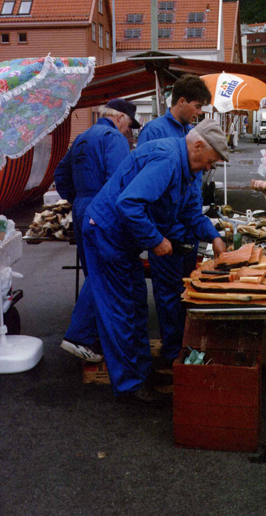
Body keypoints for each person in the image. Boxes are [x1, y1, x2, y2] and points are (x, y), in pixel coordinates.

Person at [82, 119, 229, 403]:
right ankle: (129, 385)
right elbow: (129, 204)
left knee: (136, 301)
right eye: (210, 161)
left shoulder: (186, 167)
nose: (209, 168)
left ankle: (141, 371)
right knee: (121, 308)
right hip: (107, 232)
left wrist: (214, 237)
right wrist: (156, 240)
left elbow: (189, 212)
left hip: (121, 236)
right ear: (198, 146)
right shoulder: (168, 159)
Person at [54, 99, 140, 362]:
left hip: (82, 207)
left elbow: (60, 174)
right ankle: (78, 336)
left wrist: (77, 198)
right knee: (104, 273)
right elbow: (121, 181)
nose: (128, 131)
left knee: (93, 269)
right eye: (129, 125)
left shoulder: (82, 137)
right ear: (120, 118)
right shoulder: (113, 138)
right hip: (103, 208)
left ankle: (93, 335)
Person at [137, 74, 212, 366]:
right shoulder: (154, 132)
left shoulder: (192, 131)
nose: (200, 112)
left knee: (186, 293)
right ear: (181, 102)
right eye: (197, 105)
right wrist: (155, 235)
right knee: (168, 297)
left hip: (189, 227)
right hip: (165, 231)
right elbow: (145, 188)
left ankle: (184, 346)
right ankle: (172, 353)